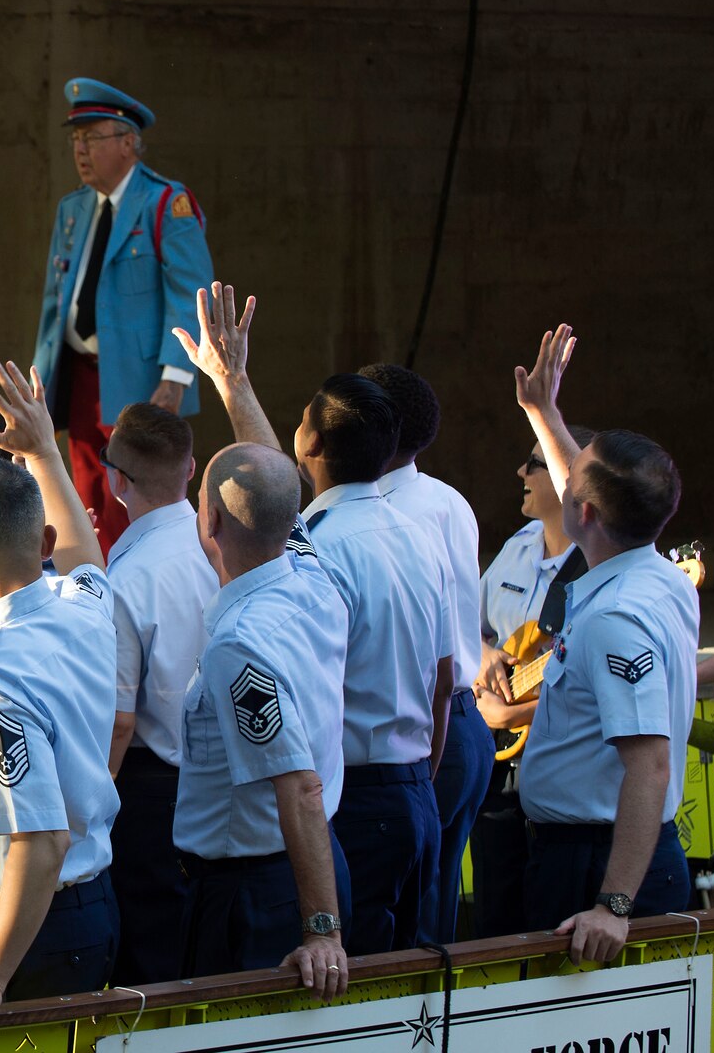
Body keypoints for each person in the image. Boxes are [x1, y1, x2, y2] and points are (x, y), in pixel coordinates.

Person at [172, 283, 453, 955]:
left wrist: (319, 924)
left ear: (314, 440)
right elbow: (444, 680)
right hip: (411, 785)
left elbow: (268, 508)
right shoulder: (413, 527)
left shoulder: (322, 552)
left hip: (342, 810)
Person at [0, 361, 120, 1040]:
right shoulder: (82, 602)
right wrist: (43, 452)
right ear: (40, 546)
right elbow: (86, 557)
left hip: (17, 925)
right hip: (89, 908)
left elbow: (40, 842)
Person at [511, 326, 696, 963]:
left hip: (600, 869)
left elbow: (648, 765)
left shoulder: (616, 616)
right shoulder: (654, 569)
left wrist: (614, 905)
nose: (561, 482)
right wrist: (545, 412)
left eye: (572, 483)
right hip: (596, 852)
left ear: (584, 515)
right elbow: (587, 487)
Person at [175, 442, 350, 1000]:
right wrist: (234, 386)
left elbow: (298, 787)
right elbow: (281, 507)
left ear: (210, 519)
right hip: (310, 863)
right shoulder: (313, 573)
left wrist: (321, 930)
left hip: (262, 891)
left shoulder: (238, 643)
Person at [31, 78, 213, 554]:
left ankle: (144, 582)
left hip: (139, 380)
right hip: (80, 376)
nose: (81, 149)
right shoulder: (74, 208)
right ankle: (99, 581)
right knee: (86, 494)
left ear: (129, 143)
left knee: (141, 495)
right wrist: (42, 382)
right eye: (76, 139)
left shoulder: (163, 203)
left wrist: (175, 377)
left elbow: (188, 293)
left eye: (92, 137)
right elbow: (55, 305)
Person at [358, 362, 494, 945]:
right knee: (430, 909)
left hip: (427, 728)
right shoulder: (447, 499)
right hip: (461, 723)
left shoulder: (383, 518)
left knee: (407, 928)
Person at [97, 401, 217, 985]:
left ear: (116, 481)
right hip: (224, 773)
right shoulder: (225, 544)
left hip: (151, 788)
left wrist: (93, 807)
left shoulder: (128, 577)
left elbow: (121, 721)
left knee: (149, 960)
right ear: (191, 469)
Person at [467, 423, 595, 939]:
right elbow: (464, 625)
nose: (521, 472)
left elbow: (591, 684)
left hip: (563, 778)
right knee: (495, 921)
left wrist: (515, 713)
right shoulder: (517, 546)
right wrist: (482, 655)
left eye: (534, 462)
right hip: (499, 772)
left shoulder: (600, 568)